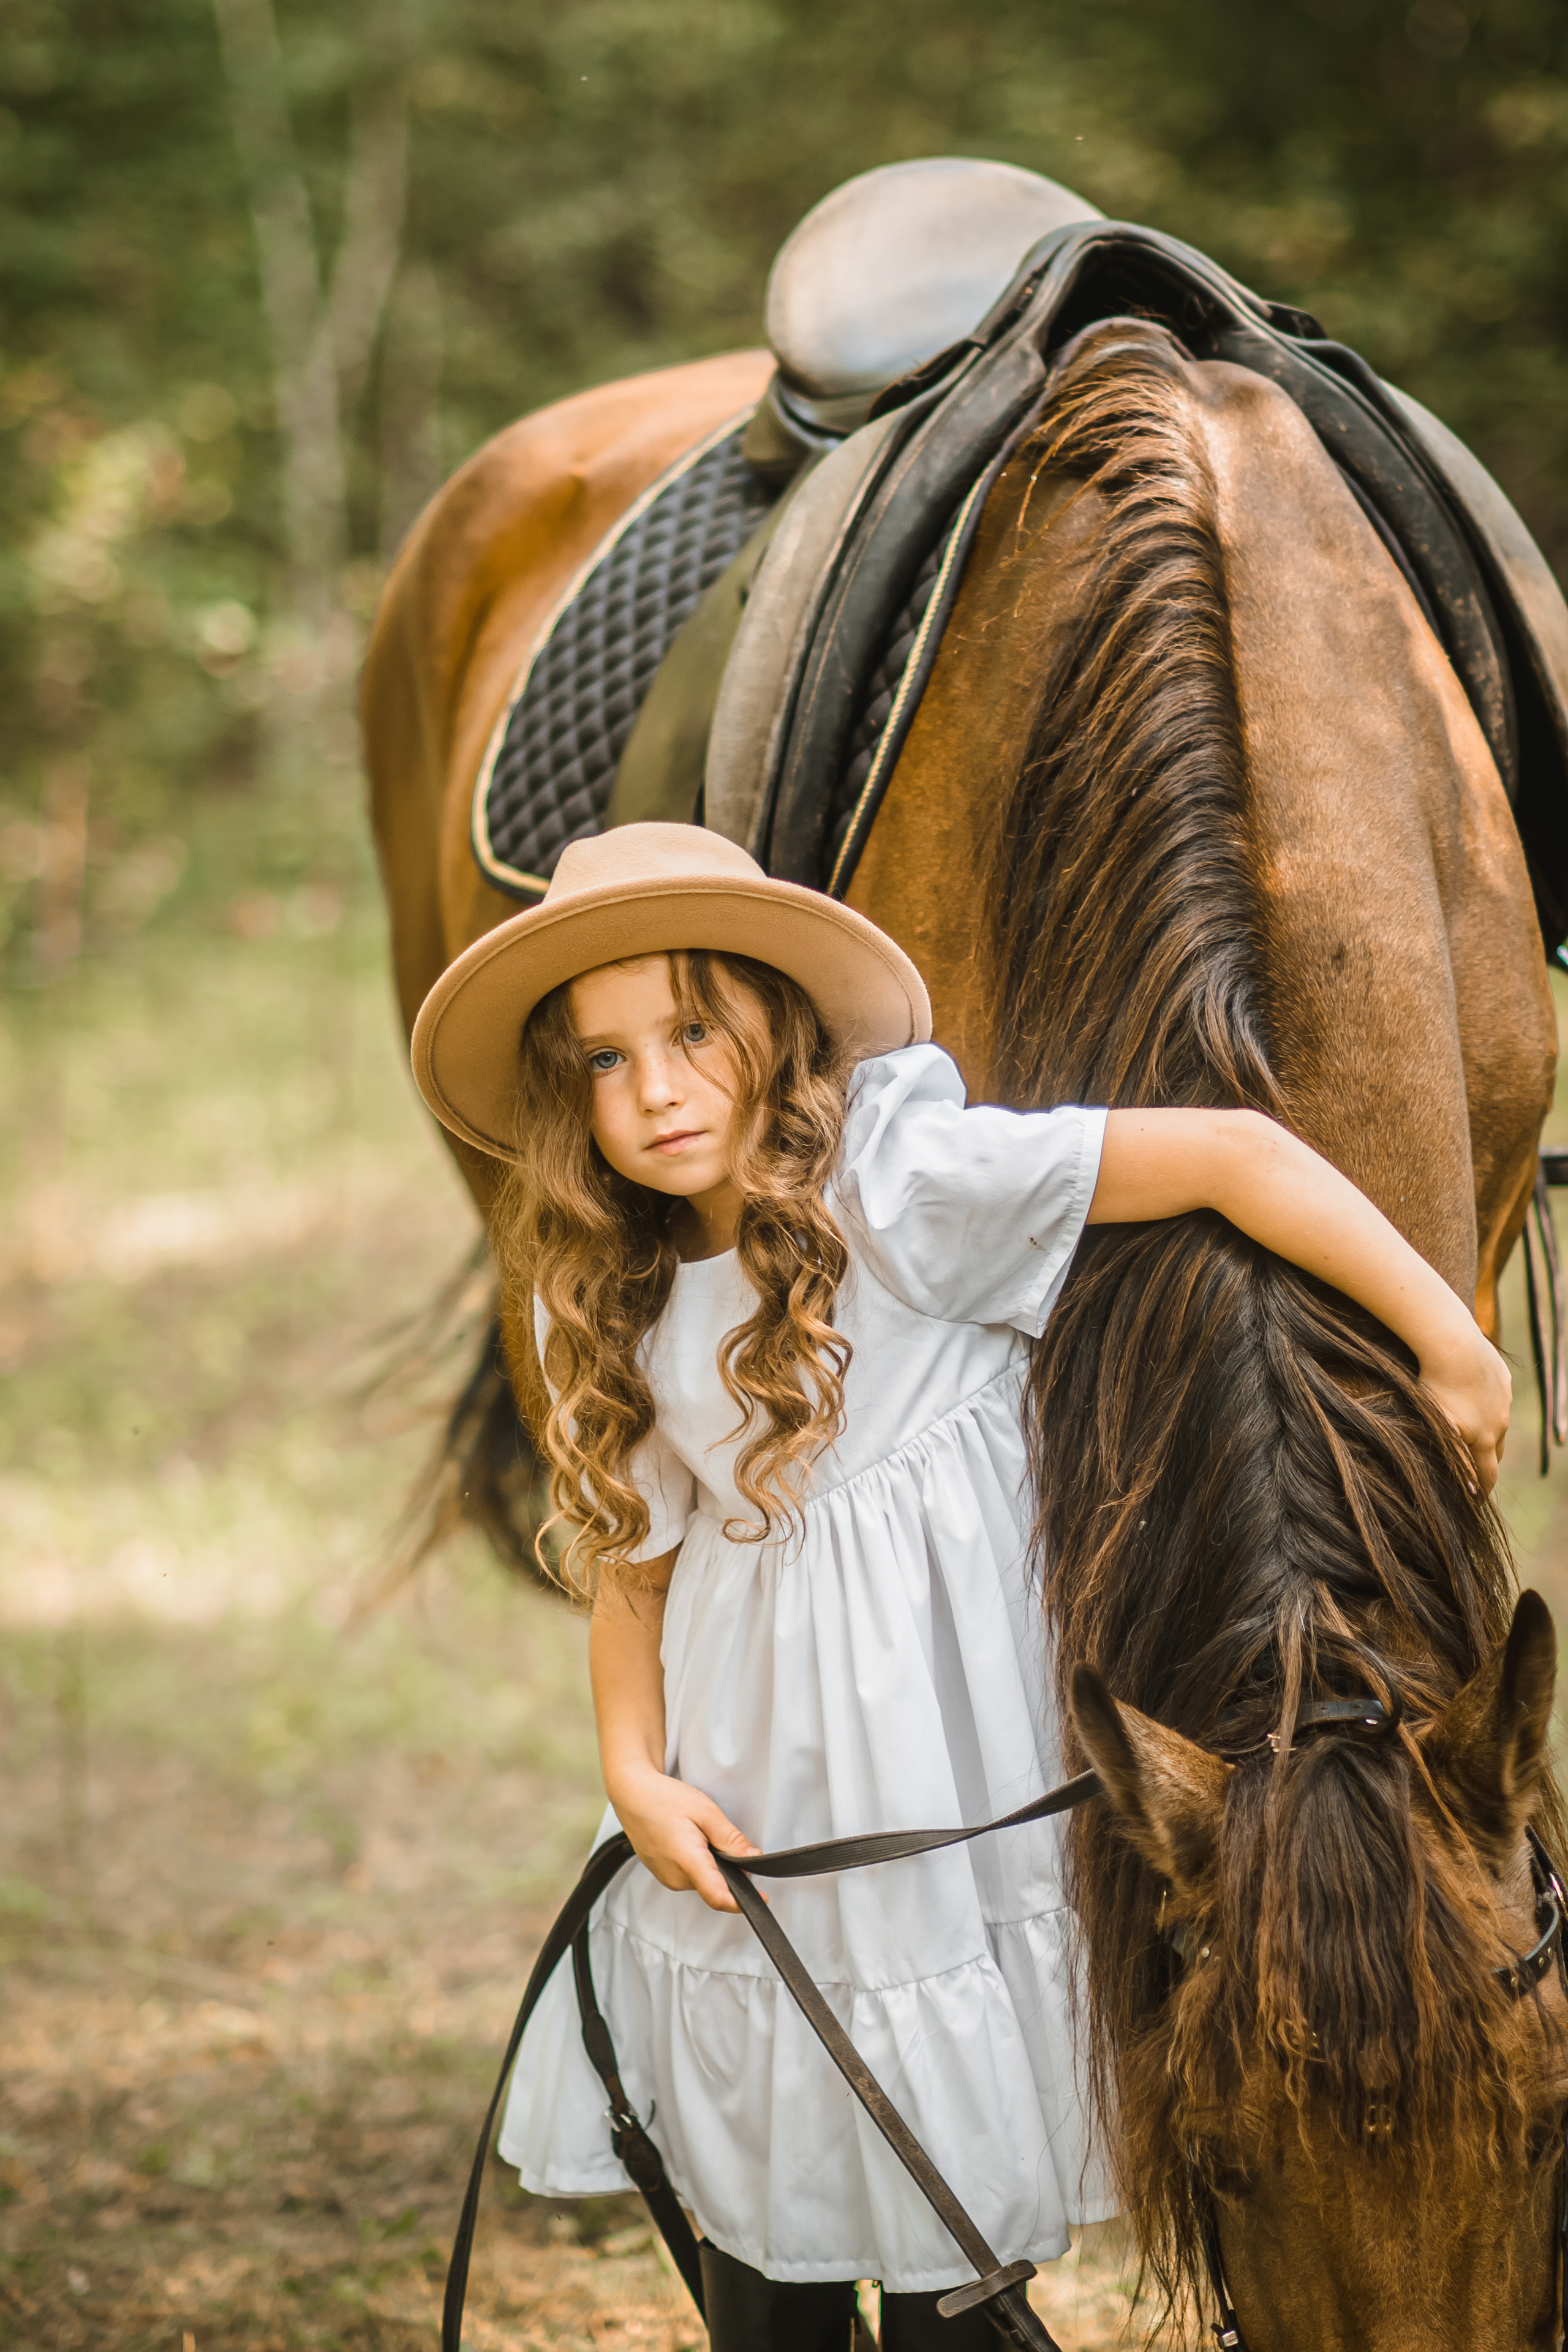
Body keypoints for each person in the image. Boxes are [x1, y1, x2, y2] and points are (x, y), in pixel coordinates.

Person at [410, 823, 1509, 2350]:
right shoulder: (605, 1286)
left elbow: (1234, 1158)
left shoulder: (899, 1180)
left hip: (943, 1779)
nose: (651, 1091)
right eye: (601, 1061)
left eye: (690, 1033)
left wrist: (1443, 1336)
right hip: (751, 1789)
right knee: (770, 2190)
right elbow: (635, 1566)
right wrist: (629, 1774)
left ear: (771, 1034)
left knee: (943, 2211)